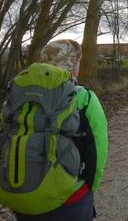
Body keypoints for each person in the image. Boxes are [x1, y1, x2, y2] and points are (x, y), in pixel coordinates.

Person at [15, 39, 108, 221]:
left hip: (21, 194)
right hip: (69, 198)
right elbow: (97, 150)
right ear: (71, 66)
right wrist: (89, 188)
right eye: (78, 62)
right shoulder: (83, 97)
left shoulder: (18, 94)